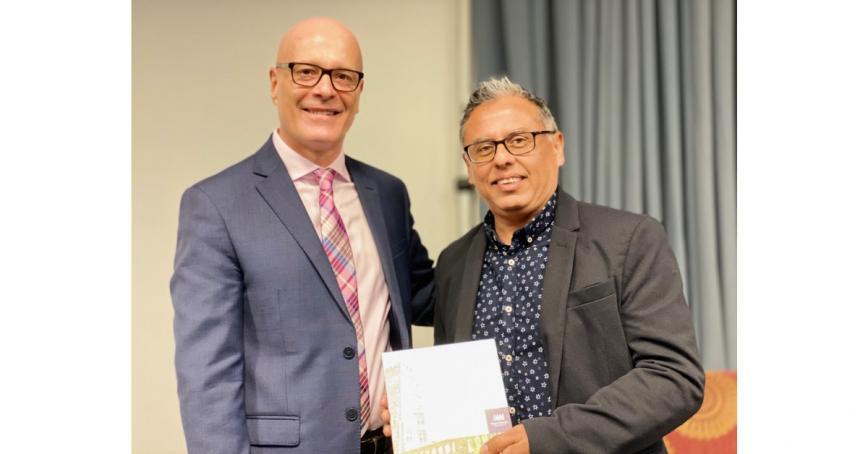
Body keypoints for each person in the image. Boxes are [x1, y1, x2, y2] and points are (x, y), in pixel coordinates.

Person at [383, 77, 704, 454]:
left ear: (557, 146)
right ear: (469, 169)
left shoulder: (630, 239)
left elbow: (675, 378)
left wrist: (549, 439)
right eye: (483, 148)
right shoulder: (455, 263)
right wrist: (415, 415)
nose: (502, 158)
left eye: (520, 140)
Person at [171, 17, 433, 454]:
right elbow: (206, 373)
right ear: (275, 83)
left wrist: (512, 243)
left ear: (359, 92)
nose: (325, 89)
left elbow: (427, 294)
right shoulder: (216, 204)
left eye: (343, 76)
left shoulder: (387, 194)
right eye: (306, 71)